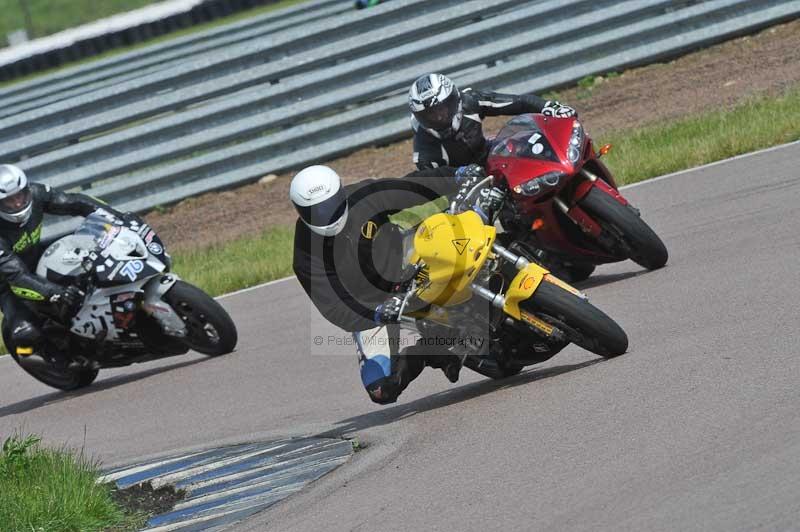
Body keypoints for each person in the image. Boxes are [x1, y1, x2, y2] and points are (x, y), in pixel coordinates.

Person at [291, 163, 502, 404]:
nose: (327, 214)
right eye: (316, 211)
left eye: (331, 204)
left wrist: (456, 175)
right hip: (376, 305)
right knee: (381, 389)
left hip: (407, 261)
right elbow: (334, 308)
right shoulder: (305, 256)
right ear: (300, 212)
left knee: (454, 235)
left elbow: (410, 187)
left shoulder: (363, 197)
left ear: (341, 194)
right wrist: (377, 313)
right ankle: (433, 350)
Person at [0, 164, 121, 355]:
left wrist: (116, 218)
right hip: (8, 284)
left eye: (20, 196)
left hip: (36, 254)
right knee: (26, 334)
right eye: (8, 201)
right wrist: (57, 292)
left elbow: (75, 202)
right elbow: (17, 275)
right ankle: (61, 353)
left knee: (89, 259)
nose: (17, 203)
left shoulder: (36, 193)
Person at [408, 73, 577, 170]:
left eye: (442, 109)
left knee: (535, 150)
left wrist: (551, 107)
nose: (439, 117)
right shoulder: (424, 148)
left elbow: (518, 102)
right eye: (430, 114)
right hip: (465, 187)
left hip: (491, 155)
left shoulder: (471, 101)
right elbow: (437, 184)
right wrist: (460, 176)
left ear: (454, 99)